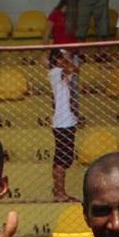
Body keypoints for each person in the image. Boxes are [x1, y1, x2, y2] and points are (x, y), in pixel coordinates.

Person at [50, 50, 79, 200]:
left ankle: (59, 191)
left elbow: (75, 71)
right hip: (63, 122)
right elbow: (73, 68)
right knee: (62, 158)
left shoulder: (59, 73)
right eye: (61, 58)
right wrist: (68, 57)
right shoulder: (55, 72)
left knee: (64, 158)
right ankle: (59, 192)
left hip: (67, 120)